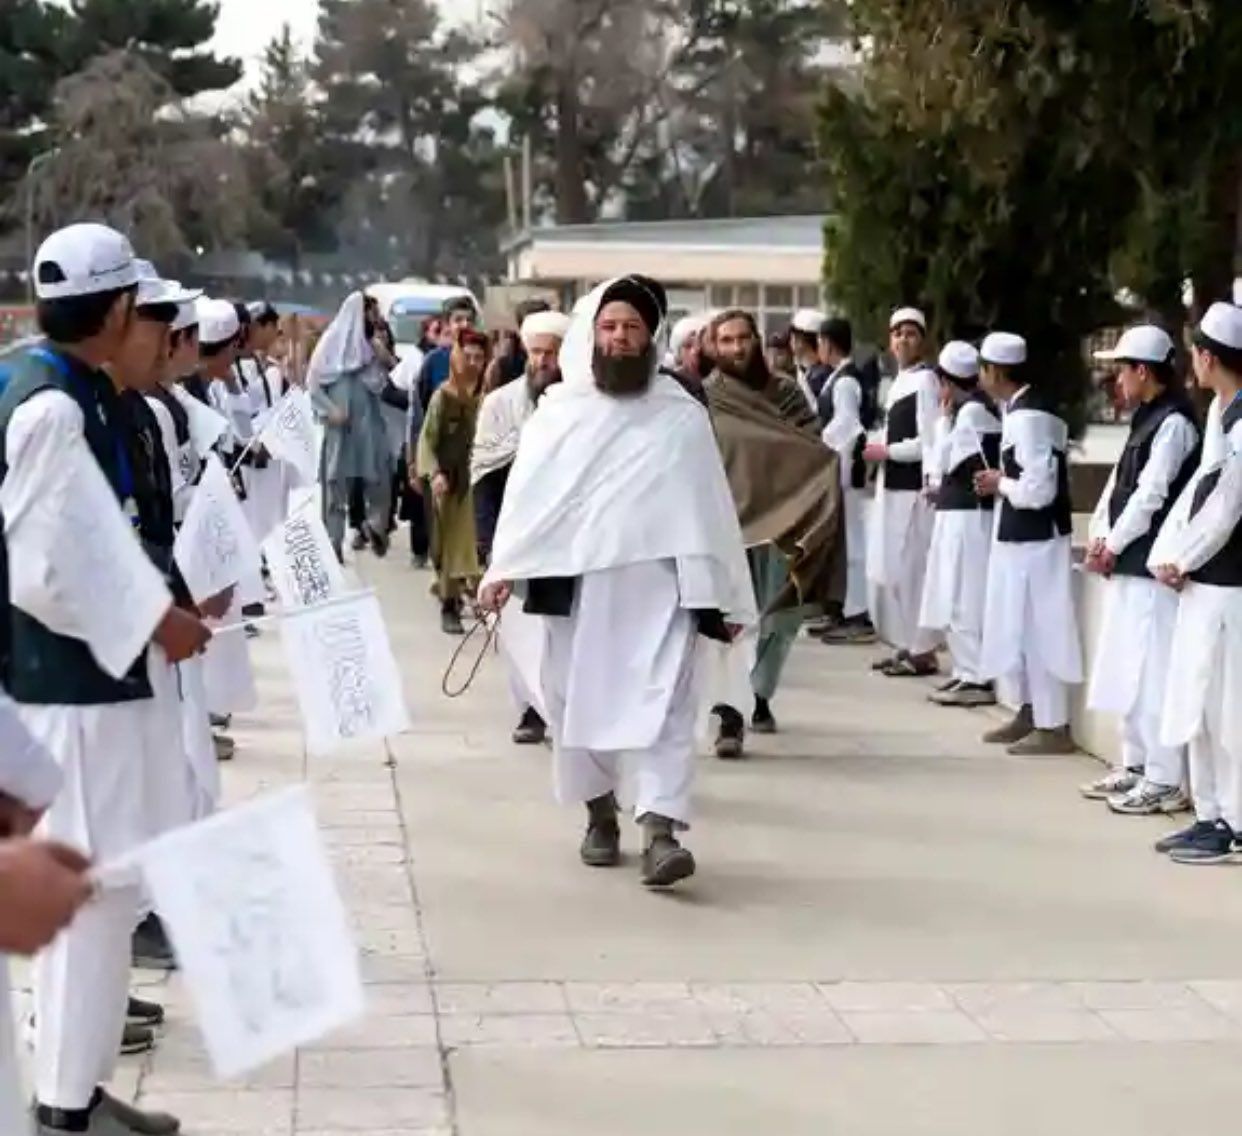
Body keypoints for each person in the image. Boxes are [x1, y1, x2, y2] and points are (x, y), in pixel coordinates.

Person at [0, 222, 211, 1136]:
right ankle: (63, 1109)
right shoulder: (52, 407)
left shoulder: (78, 389)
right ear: (121, 308)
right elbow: (43, 571)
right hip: (73, 693)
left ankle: (79, 1089)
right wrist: (154, 620)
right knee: (90, 892)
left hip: (96, 685)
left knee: (110, 888)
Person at [479, 276, 755, 887]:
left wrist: (727, 595)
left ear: (650, 337)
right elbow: (530, 503)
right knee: (576, 705)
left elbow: (710, 510)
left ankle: (660, 831)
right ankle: (600, 814)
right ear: (592, 335)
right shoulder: (559, 415)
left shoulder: (681, 416)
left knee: (668, 708)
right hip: (578, 592)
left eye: (632, 328)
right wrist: (502, 569)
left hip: (662, 592)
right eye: (609, 327)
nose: (621, 337)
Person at [701, 309, 843, 757]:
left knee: (778, 618)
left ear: (757, 341)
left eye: (743, 338)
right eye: (726, 341)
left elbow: (812, 451)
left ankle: (759, 693)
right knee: (731, 621)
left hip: (783, 525)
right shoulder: (706, 398)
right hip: (728, 527)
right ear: (714, 347)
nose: (737, 348)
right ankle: (730, 712)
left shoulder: (786, 394)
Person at [1080, 325, 1199, 814]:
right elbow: (1117, 488)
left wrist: (1114, 544)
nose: (1117, 380)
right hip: (1129, 564)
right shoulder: (1147, 420)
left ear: (1144, 371)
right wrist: (1101, 538)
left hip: (1153, 569)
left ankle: (1164, 777)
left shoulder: (1174, 425)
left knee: (1153, 674)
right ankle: (1135, 764)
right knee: (1129, 669)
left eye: (1122, 370)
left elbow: (1151, 495)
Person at [1146, 302, 1242, 863]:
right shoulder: (1218, 414)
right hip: (1202, 582)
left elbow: (1228, 505)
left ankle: (1234, 821)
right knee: (1199, 703)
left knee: (1229, 709)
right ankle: (1209, 814)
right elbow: (1197, 494)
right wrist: (1170, 554)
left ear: (1208, 357)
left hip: (1230, 586)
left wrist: (1183, 558)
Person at [975, 331, 1082, 755]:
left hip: (1038, 540)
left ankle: (1052, 723)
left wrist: (999, 483)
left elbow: (1039, 490)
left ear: (996, 371)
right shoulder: (1019, 411)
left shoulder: (1029, 418)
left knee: (1042, 630)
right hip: (1022, 538)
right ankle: (1031, 710)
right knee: (1020, 628)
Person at [471, 309, 569, 744]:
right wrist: (486, 541)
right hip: (513, 530)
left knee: (557, 629)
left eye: (551, 353)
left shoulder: (579, 405)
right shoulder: (500, 405)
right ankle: (529, 710)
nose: (543, 361)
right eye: (536, 352)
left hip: (563, 532)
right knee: (515, 627)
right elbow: (484, 475)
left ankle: (559, 706)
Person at [919, 341, 1002, 707]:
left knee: (962, 594)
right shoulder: (975, 410)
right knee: (951, 591)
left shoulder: (971, 414)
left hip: (967, 518)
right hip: (958, 516)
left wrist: (940, 423)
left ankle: (975, 675)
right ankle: (964, 670)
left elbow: (941, 464)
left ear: (946, 382)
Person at [864, 307, 941, 676]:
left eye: (911, 333)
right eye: (897, 333)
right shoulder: (897, 382)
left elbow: (928, 442)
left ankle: (923, 651)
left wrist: (887, 451)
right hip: (891, 486)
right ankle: (908, 644)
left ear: (922, 341)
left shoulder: (926, 381)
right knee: (894, 571)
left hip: (912, 490)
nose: (903, 340)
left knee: (912, 571)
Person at [309, 292, 394, 561]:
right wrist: (329, 410)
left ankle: (375, 525)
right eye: (370, 314)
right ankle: (333, 543)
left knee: (379, 477)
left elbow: (384, 382)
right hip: (340, 428)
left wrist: (383, 357)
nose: (374, 320)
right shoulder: (330, 344)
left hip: (367, 426)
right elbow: (313, 384)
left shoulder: (370, 347)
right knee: (335, 485)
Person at [419, 330, 489, 634]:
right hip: (449, 485)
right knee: (448, 548)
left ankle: (476, 596)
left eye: (479, 358)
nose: (472, 363)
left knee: (476, 545)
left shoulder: (489, 398)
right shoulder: (443, 397)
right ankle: (449, 605)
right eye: (467, 356)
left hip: (480, 483)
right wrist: (434, 473)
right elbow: (427, 439)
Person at [816, 316, 875, 644]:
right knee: (845, 543)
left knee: (854, 543)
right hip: (840, 467)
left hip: (848, 470)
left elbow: (848, 425)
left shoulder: (845, 382)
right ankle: (844, 607)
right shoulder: (839, 377)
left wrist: (819, 443)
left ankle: (858, 613)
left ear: (828, 343)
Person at [789, 308, 829, 411]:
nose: (791, 342)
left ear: (801, 341)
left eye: (793, 337)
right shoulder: (805, 370)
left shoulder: (820, 376)